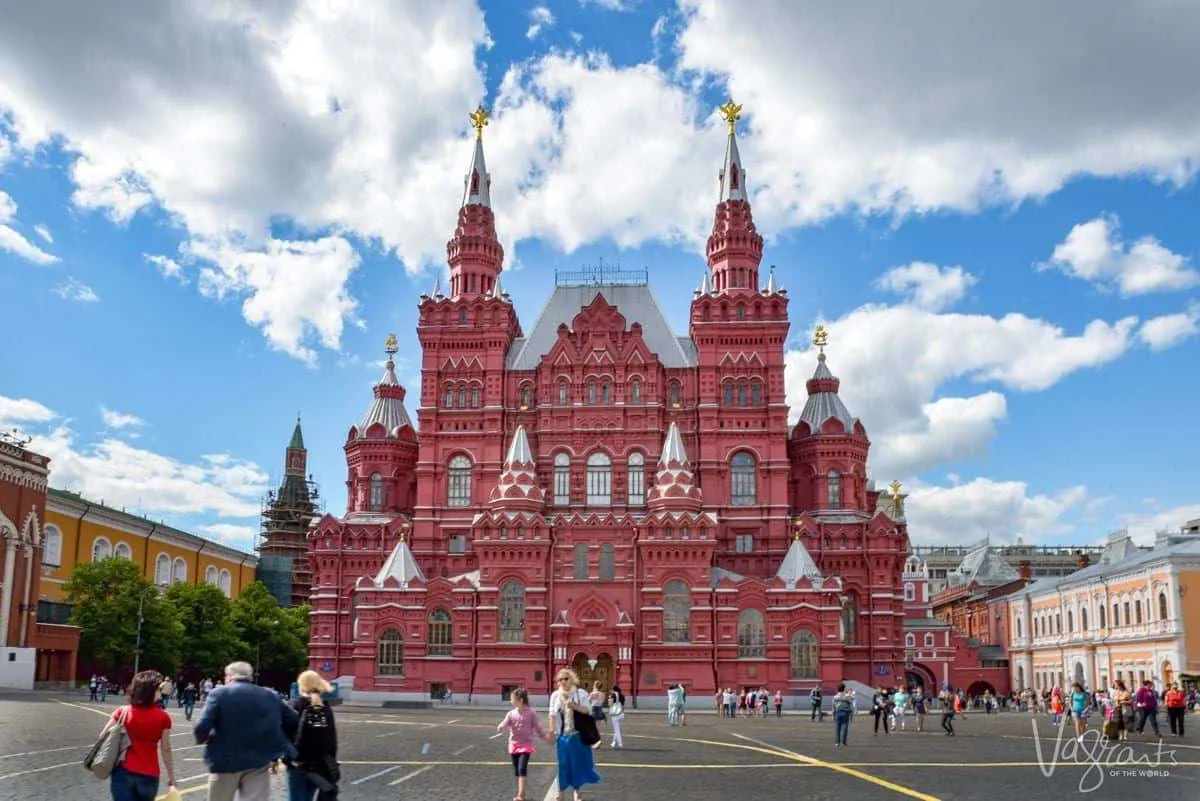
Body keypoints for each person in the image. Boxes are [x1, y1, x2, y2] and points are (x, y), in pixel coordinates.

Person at [194, 660, 299, 801]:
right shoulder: (269, 695)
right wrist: (276, 739)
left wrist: (204, 738)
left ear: (230, 676)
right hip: (259, 760)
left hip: (225, 760)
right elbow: (293, 719)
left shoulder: (219, 694)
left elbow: (202, 725)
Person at [100, 670, 177, 801]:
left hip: (123, 771)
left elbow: (103, 736)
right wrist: (171, 777)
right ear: (151, 691)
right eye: (159, 689)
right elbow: (166, 749)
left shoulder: (123, 712)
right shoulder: (163, 717)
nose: (160, 692)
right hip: (149, 774)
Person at [283, 670, 340, 801]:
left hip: (298, 763)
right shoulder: (325, 707)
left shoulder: (295, 705)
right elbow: (332, 739)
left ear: (301, 685)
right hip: (320, 765)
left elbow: (285, 732)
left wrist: (285, 757)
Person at [548, 668, 601, 801]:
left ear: (572, 679)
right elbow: (552, 715)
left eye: (566, 678)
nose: (563, 682)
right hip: (563, 736)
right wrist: (552, 732)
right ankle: (560, 792)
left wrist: (575, 706)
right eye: (560, 679)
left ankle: (577, 793)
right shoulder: (555, 696)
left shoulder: (580, 693)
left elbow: (588, 711)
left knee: (577, 764)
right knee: (563, 764)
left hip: (578, 736)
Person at [498, 687, 550, 801]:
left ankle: (521, 795)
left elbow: (537, 727)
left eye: (512, 699)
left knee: (522, 768)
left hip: (526, 745)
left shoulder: (531, 713)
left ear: (520, 700)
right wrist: (501, 726)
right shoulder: (511, 713)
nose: (511, 701)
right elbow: (505, 722)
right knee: (517, 770)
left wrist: (544, 736)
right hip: (513, 745)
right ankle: (520, 790)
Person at [832, 683, 854, 747]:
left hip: (838, 713)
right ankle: (844, 742)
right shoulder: (847, 697)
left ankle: (837, 742)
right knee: (845, 728)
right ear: (843, 689)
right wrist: (851, 714)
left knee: (837, 728)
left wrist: (833, 715)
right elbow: (851, 706)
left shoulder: (835, 697)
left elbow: (833, 706)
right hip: (845, 713)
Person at [607, 685, 626, 749]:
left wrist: (609, 702)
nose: (610, 691)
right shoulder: (622, 696)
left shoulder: (612, 695)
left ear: (613, 690)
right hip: (621, 714)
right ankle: (613, 743)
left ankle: (620, 743)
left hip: (615, 715)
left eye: (611, 689)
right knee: (617, 728)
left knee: (617, 730)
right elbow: (623, 705)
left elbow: (610, 704)